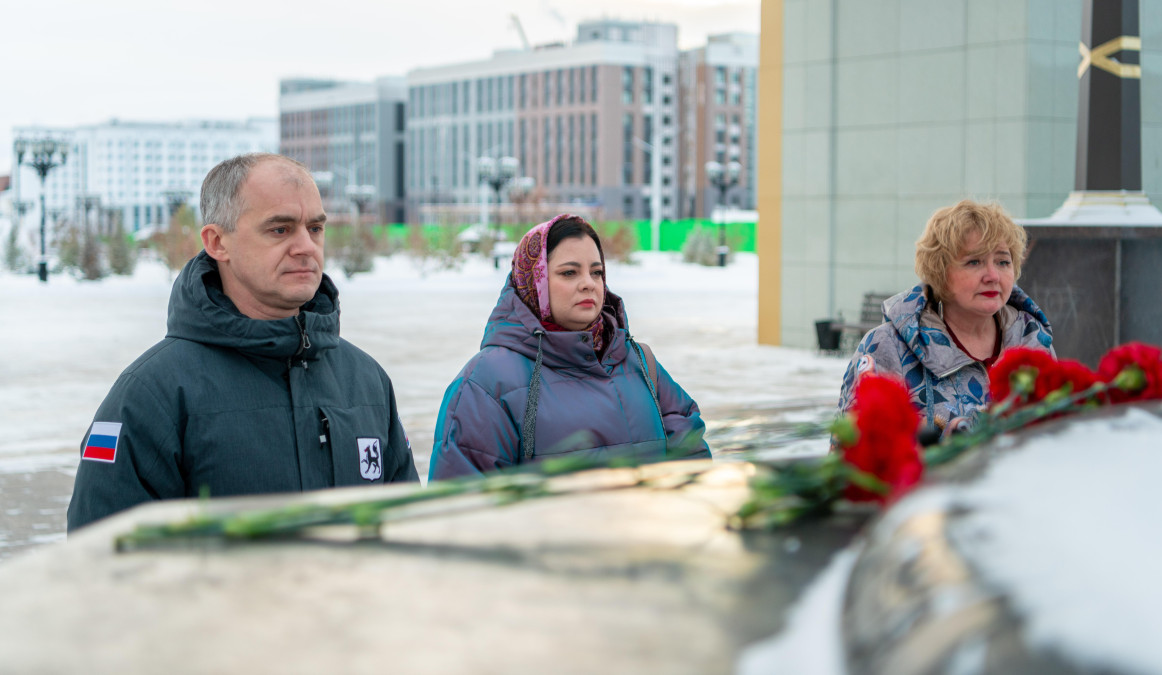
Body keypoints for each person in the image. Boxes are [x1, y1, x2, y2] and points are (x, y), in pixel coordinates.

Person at [67, 153, 419, 531]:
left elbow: (411, 534)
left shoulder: (366, 380)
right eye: (280, 230)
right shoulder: (150, 394)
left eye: (315, 228)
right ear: (218, 242)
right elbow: (104, 554)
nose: (306, 246)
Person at [429, 214, 709, 479]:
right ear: (534, 281)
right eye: (569, 273)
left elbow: (692, 460)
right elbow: (462, 500)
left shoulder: (639, 362)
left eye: (596, 272)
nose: (588, 284)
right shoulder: (485, 383)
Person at [837, 199, 1054, 434]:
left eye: (1003, 262)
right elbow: (855, 444)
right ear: (940, 271)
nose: (993, 275)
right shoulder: (888, 347)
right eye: (974, 261)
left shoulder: (1033, 340)